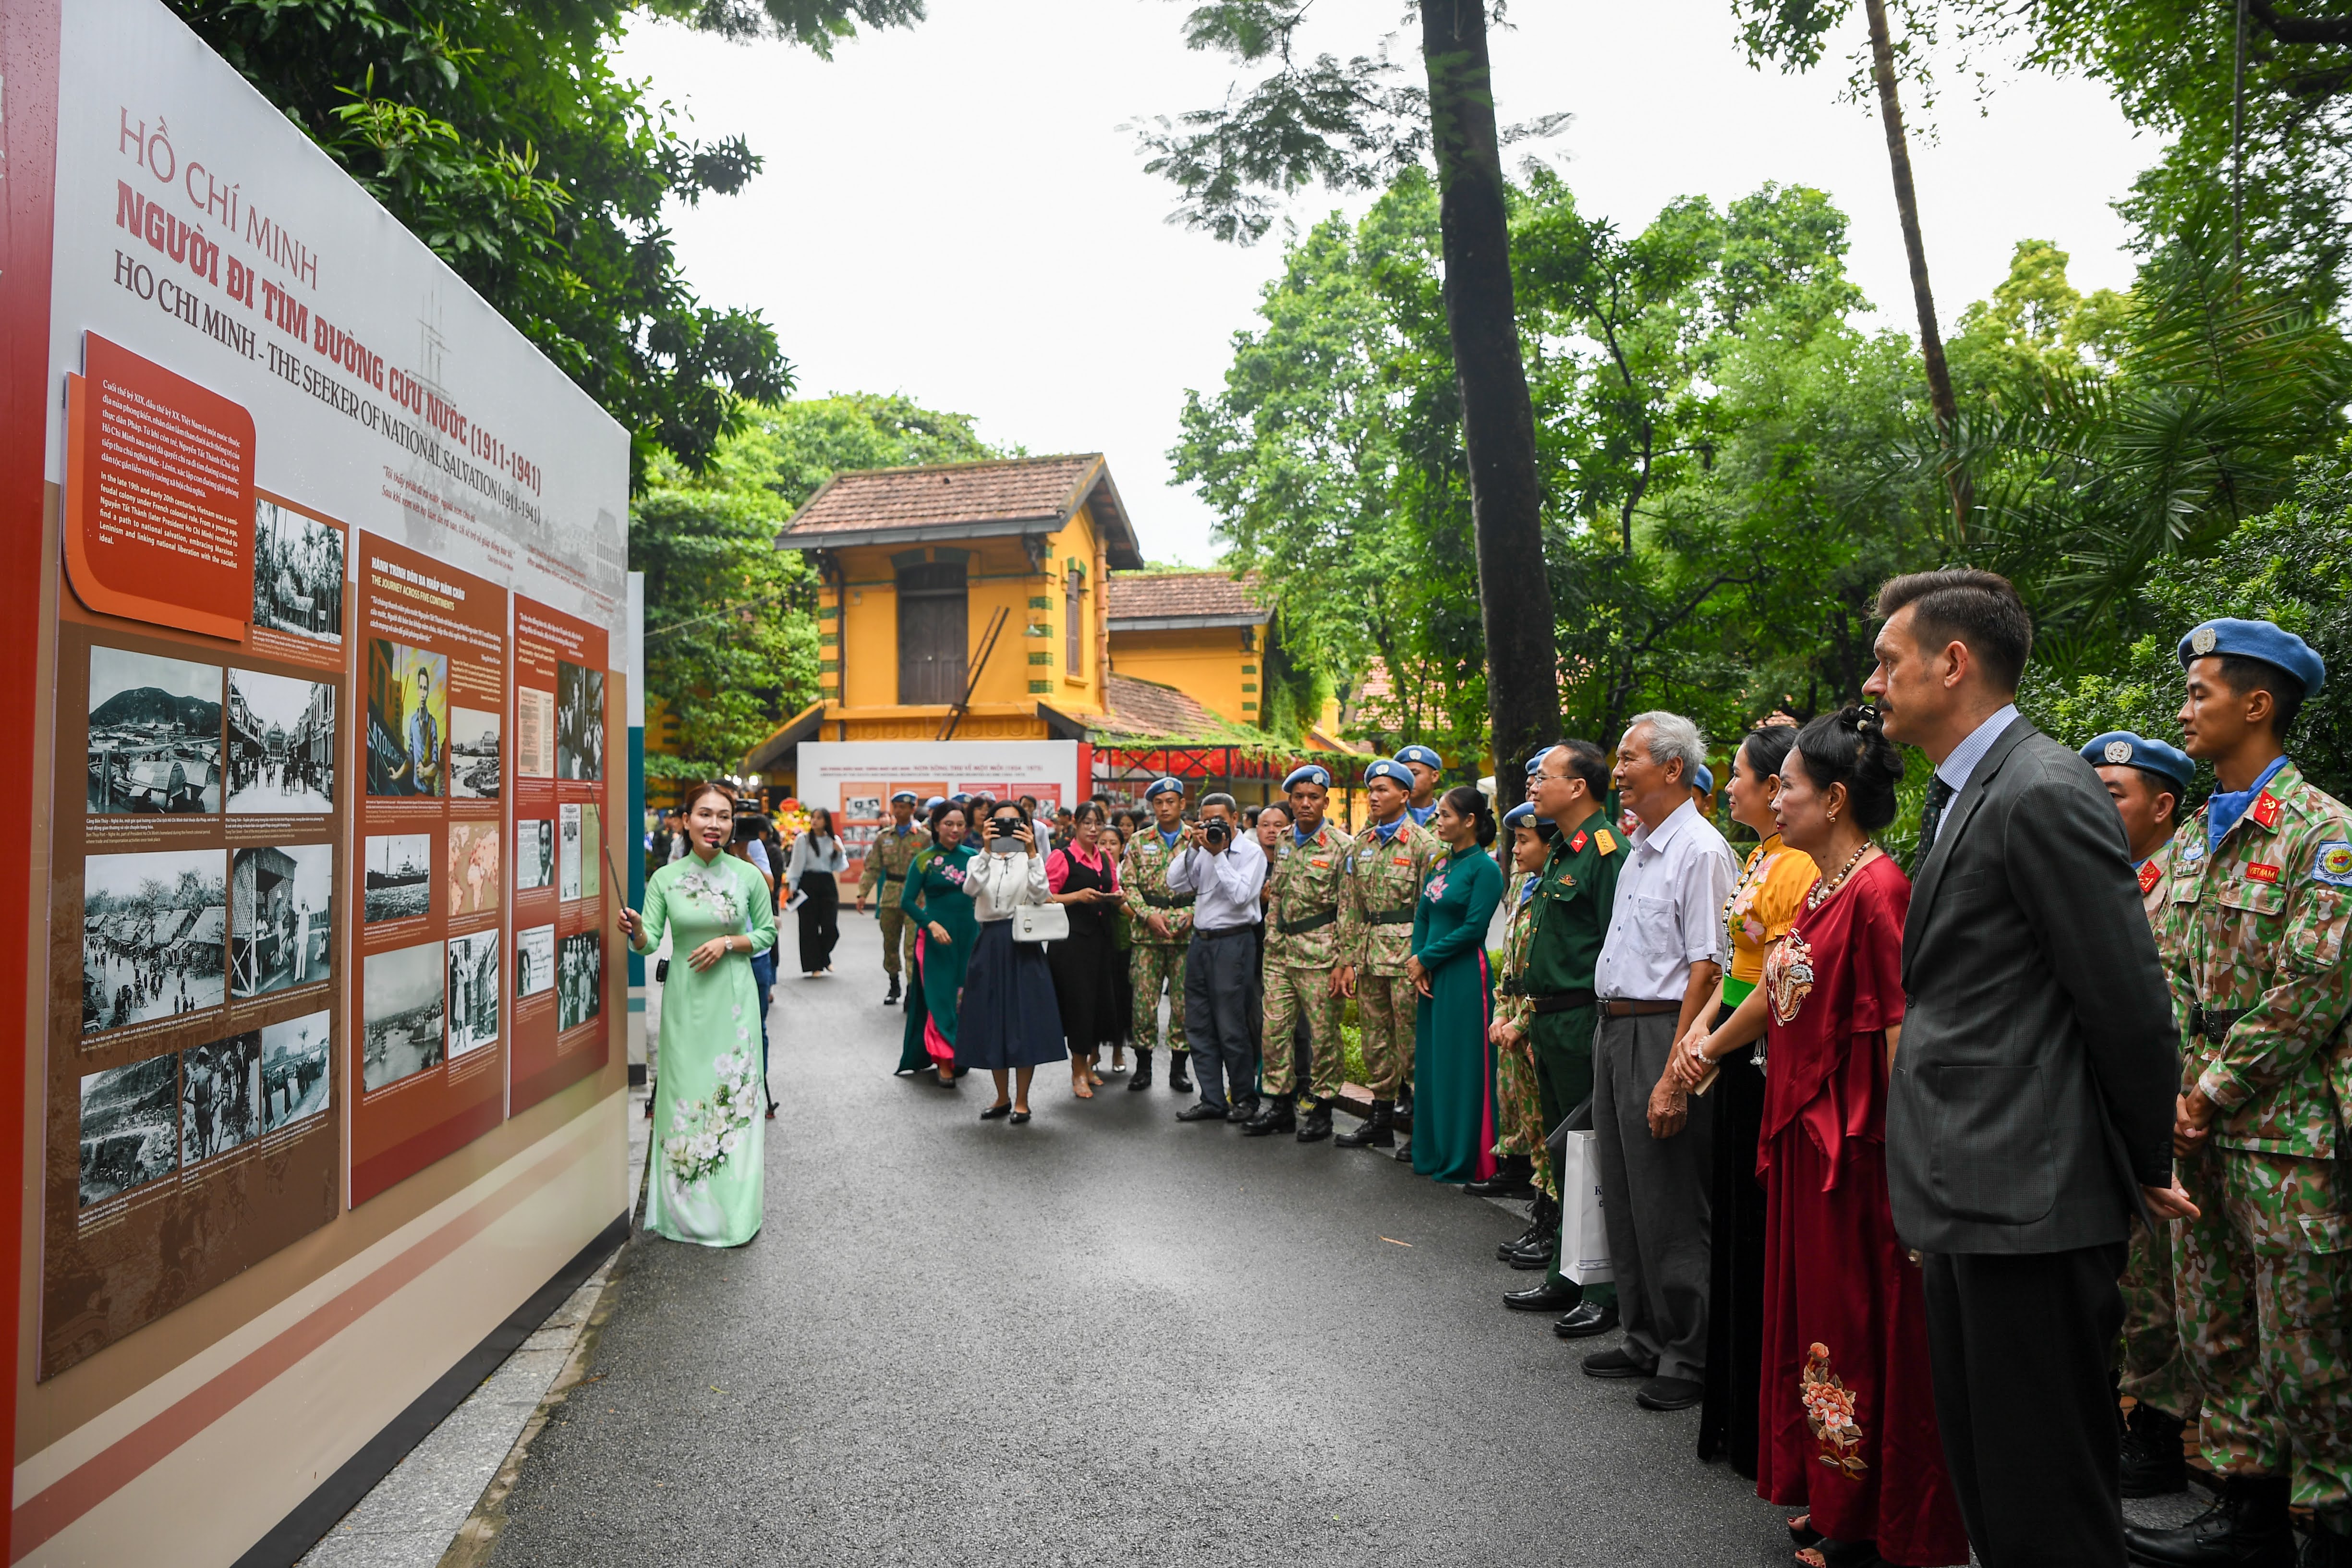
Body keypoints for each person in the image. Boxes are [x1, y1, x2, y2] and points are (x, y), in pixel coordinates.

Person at [1861, 568, 2184, 1568]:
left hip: (2033, 1203)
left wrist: (2143, 1158)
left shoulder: (2043, 788)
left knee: (2045, 1497)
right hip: (1974, 1194)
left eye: (1886, 659)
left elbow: (2124, 997)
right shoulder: (1968, 790)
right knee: (1993, 1486)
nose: (1871, 684)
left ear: (1951, 662)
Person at [1676, 707, 1970, 1568]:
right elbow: (1773, 987)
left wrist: (1913, 1166)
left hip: (1858, 1153)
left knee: (1861, 1332)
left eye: (1790, 787)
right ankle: (1834, 1492)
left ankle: (1877, 1520)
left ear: (1833, 799)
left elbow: (1896, 1034)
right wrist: (1709, 1048)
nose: (1775, 799)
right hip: (1804, 1139)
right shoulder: (1818, 885)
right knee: (1814, 1329)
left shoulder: (1881, 894)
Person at [2130, 619, 2352, 1568]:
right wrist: (2176, 1097)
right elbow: (2157, 974)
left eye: (2200, 693)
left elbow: (2316, 984)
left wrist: (2210, 1087)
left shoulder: (2325, 833)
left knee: (2308, 1338)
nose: (2184, 709)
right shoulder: (2183, 846)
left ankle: (2334, 1521)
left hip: (2288, 1133)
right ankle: (2245, 1510)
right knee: (2213, 1324)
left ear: (2256, 706)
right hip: (2198, 1130)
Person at [1583, 710, 1737, 1415]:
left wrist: (1678, 1068)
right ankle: (1643, 1333)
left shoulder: (1699, 850)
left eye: (1628, 758)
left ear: (1671, 769)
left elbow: (1708, 966)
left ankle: (1688, 1349)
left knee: (1670, 1195)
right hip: (1615, 1029)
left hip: (1661, 1032)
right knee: (1623, 1186)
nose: (1616, 770)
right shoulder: (1641, 846)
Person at [1674, 723, 1815, 1478]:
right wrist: (1702, 1033)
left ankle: (1764, 1421)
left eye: (1739, 775)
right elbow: (1735, 962)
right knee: (1735, 1229)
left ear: (1774, 787)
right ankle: (1733, 1410)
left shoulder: (1800, 866)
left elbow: (1776, 981)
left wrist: (1713, 1040)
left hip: (1761, 1058)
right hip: (1734, 1049)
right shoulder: (1761, 855)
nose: (1726, 786)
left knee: (1759, 1238)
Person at [2080, 729, 2203, 1501]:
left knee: (2157, 1280)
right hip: (2093, 1115)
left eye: (2112, 795)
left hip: (2170, 1112)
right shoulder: (2096, 883)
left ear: (2160, 806)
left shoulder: (2179, 889)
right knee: (2114, 1277)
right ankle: (2114, 1418)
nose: (2094, 806)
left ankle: (2158, 1431)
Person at [1498, 740, 1625, 1333]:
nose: (1532, 785)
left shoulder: (1605, 850)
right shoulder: (1560, 851)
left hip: (1581, 1018)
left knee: (1591, 1153)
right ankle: (1565, 1273)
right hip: (1547, 1019)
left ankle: (1602, 1286)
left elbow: (1614, 944)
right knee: (1562, 1152)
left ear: (1578, 786)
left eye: (1543, 777)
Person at [620, 782, 777, 1247]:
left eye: (724, 816)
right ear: (685, 820)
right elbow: (648, 939)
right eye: (705, 814)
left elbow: (767, 934)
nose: (715, 824)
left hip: (733, 1000)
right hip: (686, 1001)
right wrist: (633, 930)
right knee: (684, 1094)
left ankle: (733, 1212)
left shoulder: (748, 875)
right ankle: (683, 1213)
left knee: (734, 1099)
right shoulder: (664, 880)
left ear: (732, 824)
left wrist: (728, 942)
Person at [1335, 759, 1443, 1149]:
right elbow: (1349, 905)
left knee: (1412, 1043)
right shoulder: (1361, 844)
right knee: (1375, 1042)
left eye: (1384, 789)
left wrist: (1424, 958)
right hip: (1368, 955)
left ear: (1405, 794)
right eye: (1372, 789)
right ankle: (1380, 1119)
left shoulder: (1425, 845)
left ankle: (1420, 1129)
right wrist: (1346, 960)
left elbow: (1430, 908)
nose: (1375, 796)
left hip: (1406, 960)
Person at [1247, 766, 1355, 1141]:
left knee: (1323, 1036)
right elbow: (1277, 895)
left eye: (1313, 797)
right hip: (1280, 953)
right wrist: (1271, 940)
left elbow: (1349, 908)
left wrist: (1345, 961)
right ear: (1290, 801)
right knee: (1274, 1031)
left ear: (1326, 801)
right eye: (1298, 797)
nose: (1305, 803)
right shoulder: (1286, 838)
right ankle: (1279, 1104)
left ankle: (1323, 1109)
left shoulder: (1342, 846)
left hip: (1321, 954)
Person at [1406, 785, 1504, 1183]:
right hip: (1433, 976)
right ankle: (1433, 1150)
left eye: (1445, 815)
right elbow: (1423, 915)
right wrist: (1418, 960)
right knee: (1434, 1063)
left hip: (1466, 976)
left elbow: (1473, 929)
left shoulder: (1486, 869)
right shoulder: (1440, 864)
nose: (1438, 821)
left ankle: (1468, 1157)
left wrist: (1427, 958)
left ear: (1469, 821)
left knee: (1465, 1066)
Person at [1167, 791, 1268, 1125]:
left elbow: (1241, 896)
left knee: (1231, 1024)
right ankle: (1212, 1098)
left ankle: (1243, 1097)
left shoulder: (1251, 853)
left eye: (1220, 821)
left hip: (1234, 941)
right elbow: (1175, 883)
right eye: (1207, 820)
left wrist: (1218, 854)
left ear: (1235, 819)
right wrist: (1196, 848)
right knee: (1197, 1022)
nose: (1214, 826)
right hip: (1200, 942)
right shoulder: (1201, 849)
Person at [959, 803, 1063, 1124]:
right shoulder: (978, 859)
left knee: (1024, 1021)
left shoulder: (1030, 860)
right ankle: (1002, 1097)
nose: (1006, 827)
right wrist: (988, 850)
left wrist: (1032, 852)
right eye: (998, 821)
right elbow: (971, 889)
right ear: (988, 824)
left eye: (1013, 822)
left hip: (1023, 942)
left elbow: (1041, 893)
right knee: (992, 1019)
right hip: (989, 941)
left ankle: (1022, 1100)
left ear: (1026, 825)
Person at [1484, 799, 1552, 1202]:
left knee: (1546, 1125)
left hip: (1537, 1022)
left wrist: (1521, 1022)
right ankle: (1541, 1209)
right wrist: (1500, 1011)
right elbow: (1511, 964)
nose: (1515, 850)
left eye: (1524, 841)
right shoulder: (1528, 885)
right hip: (1514, 1021)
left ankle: (1551, 1217)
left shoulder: (1555, 893)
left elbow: (1554, 974)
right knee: (1530, 1121)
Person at [1120, 778, 1196, 1094]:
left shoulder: (1197, 839)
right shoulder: (1138, 841)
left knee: (1183, 1004)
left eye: (1171, 801)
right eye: (1158, 803)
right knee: (1143, 1003)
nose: (1164, 808)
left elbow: (1209, 885)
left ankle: (1179, 1069)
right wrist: (1148, 915)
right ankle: (1143, 1066)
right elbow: (1128, 885)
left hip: (1185, 935)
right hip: (1147, 934)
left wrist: (1185, 916)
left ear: (1182, 804)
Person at [1047, 802, 1125, 1099]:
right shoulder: (1062, 857)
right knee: (1079, 1006)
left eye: (1098, 824)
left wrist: (1117, 897)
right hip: (1071, 943)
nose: (1094, 829)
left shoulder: (1105, 857)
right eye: (1087, 823)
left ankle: (1090, 1065)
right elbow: (1043, 896)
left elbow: (1115, 889)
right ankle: (1077, 1070)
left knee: (1098, 1005)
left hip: (1101, 941)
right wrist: (1077, 896)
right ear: (1076, 825)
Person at [897, 802, 979, 1084]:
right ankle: (943, 1059)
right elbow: (906, 900)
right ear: (935, 825)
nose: (955, 830)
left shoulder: (974, 857)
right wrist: (930, 924)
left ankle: (959, 1052)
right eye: (948, 824)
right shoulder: (924, 860)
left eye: (960, 825)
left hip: (970, 935)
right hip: (936, 938)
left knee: (963, 997)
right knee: (941, 997)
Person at [857, 790, 930, 1005]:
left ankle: (911, 990)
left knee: (911, 946)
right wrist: (863, 893)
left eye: (904, 807)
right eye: (896, 807)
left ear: (913, 809)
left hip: (916, 897)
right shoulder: (884, 837)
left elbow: (931, 869)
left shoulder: (925, 837)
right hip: (890, 895)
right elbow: (872, 867)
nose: (899, 811)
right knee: (890, 943)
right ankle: (894, 983)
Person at [786, 806, 847, 976]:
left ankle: (824, 956)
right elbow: (796, 863)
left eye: (819, 818)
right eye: (813, 817)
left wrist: (840, 852)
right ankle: (815, 966)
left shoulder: (833, 840)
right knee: (809, 927)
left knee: (831, 928)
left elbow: (838, 867)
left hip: (827, 883)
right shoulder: (803, 839)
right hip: (807, 882)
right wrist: (793, 885)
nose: (815, 821)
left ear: (826, 821)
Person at [1395, 744, 1444, 826]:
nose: (1408, 780)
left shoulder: (1449, 817)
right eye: (1405, 775)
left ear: (1434, 776)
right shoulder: (1391, 817)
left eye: (1414, 774)